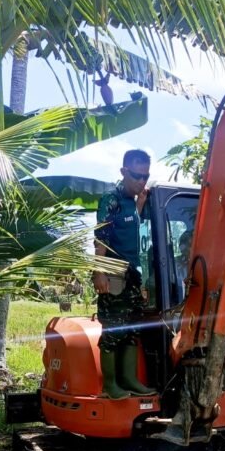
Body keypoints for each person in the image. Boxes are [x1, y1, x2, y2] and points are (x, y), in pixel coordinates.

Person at [92, 149, 155, 399]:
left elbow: (136, 232)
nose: (142, 181)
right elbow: (101, 240)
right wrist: (99, 272)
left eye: (145, 176)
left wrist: (140, 207)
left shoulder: (136, 202)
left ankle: (129, 379)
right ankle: (110, 385)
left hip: (133, 276)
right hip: (113, 274)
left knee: (132, 330)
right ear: (123, 172)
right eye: (137, 175)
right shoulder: (112, 200)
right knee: (113, 331)